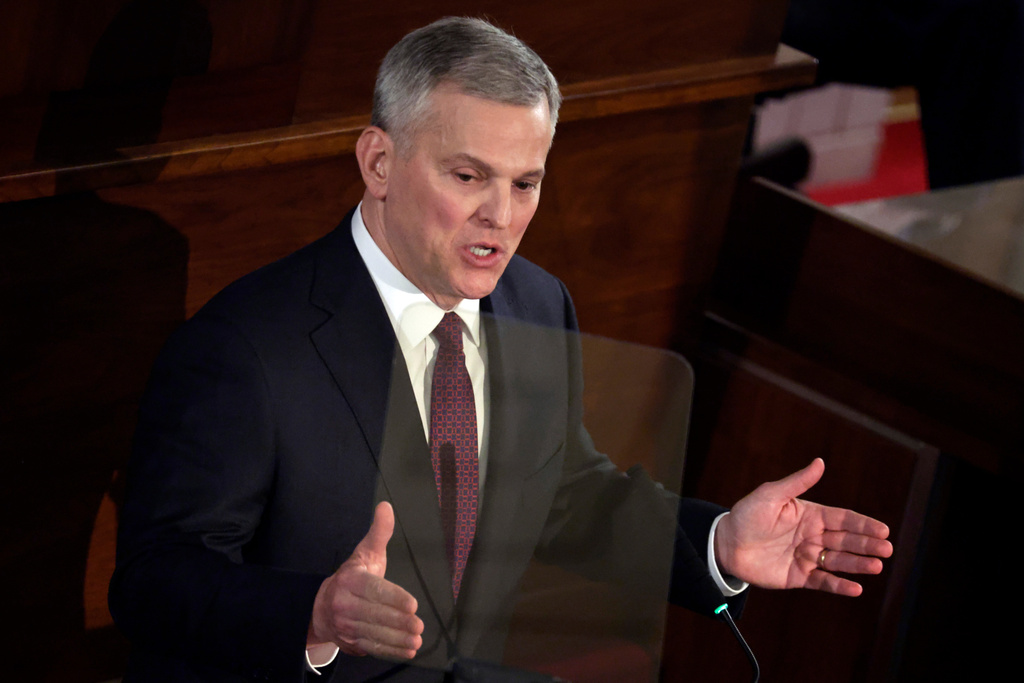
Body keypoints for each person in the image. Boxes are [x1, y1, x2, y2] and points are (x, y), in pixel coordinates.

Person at [109, 17, 893, 683]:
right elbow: (153, 581)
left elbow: (560, 495)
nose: (501, 218)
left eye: (526, 183)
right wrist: (313, 612)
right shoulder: (245, 348)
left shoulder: (534, 300)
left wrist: (718, 542)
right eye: (468, 175)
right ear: (379, 163)